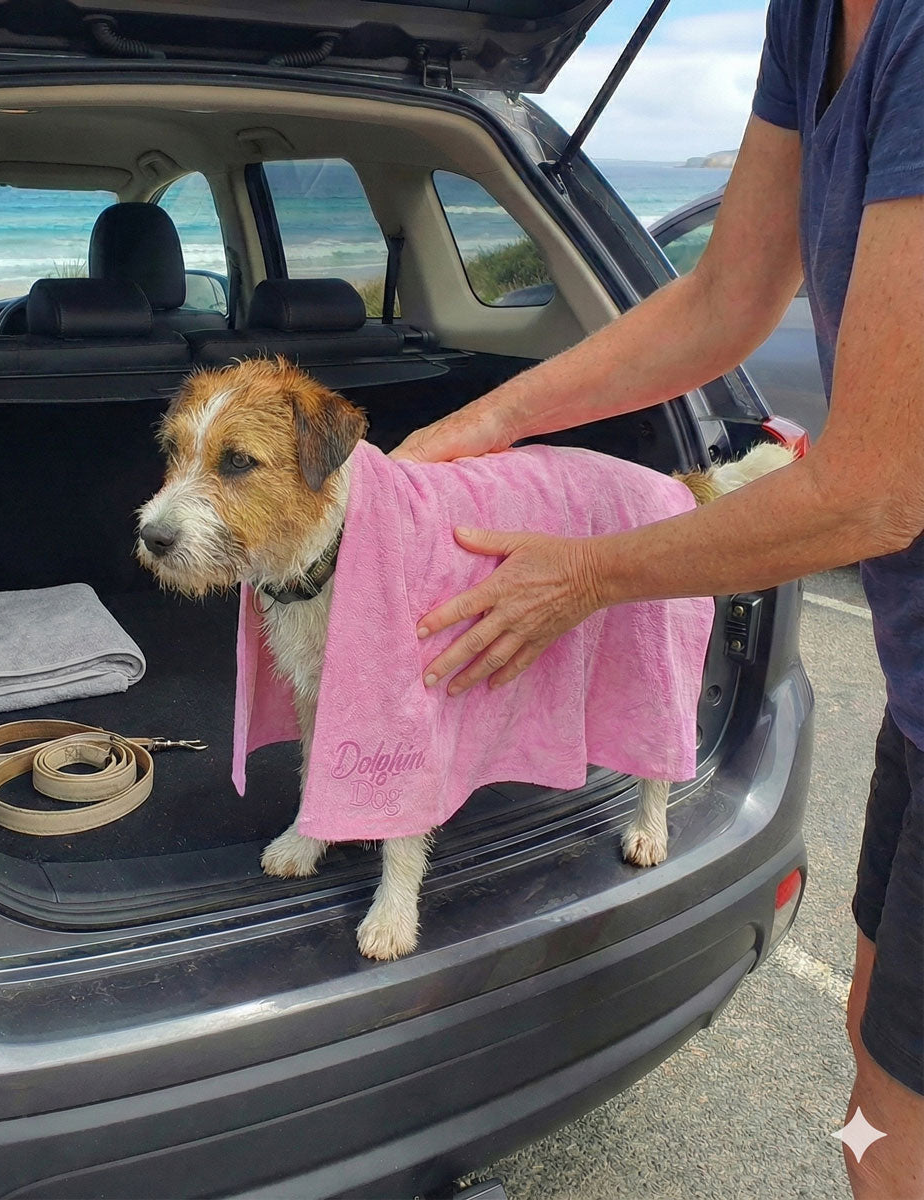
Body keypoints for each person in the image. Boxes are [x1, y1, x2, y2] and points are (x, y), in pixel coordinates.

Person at [391, 0, 923, 1194]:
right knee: (874, 1042)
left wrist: (587, 575)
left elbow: (877, 492)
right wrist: (484, 422)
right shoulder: (809, 19)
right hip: (915, 683)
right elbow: (725, 295)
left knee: (899, 1115)